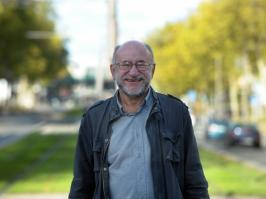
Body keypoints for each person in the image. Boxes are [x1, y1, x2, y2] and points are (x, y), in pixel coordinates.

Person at [69, 40, 209, 199]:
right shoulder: (93, 119)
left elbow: (195, 181)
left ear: (153, 69)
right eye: (125, 64)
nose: (133, 72)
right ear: (113, 70)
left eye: (141, 64)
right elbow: (81, 186)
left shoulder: (176, 113)